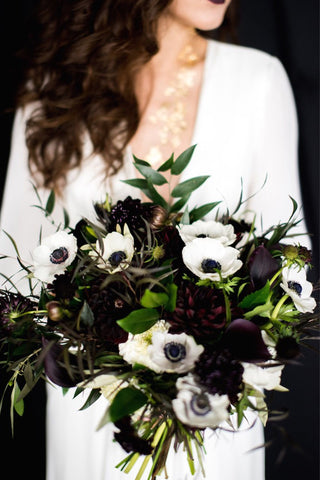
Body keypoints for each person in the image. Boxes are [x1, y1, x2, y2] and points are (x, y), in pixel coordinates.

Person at [0, 0, 307, 479]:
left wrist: (209, 355)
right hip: (91, 413)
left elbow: (290, 264)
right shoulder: (52, 92)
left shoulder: (257, 81)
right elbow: (14, 262)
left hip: (209, 413)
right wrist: (101, 344)